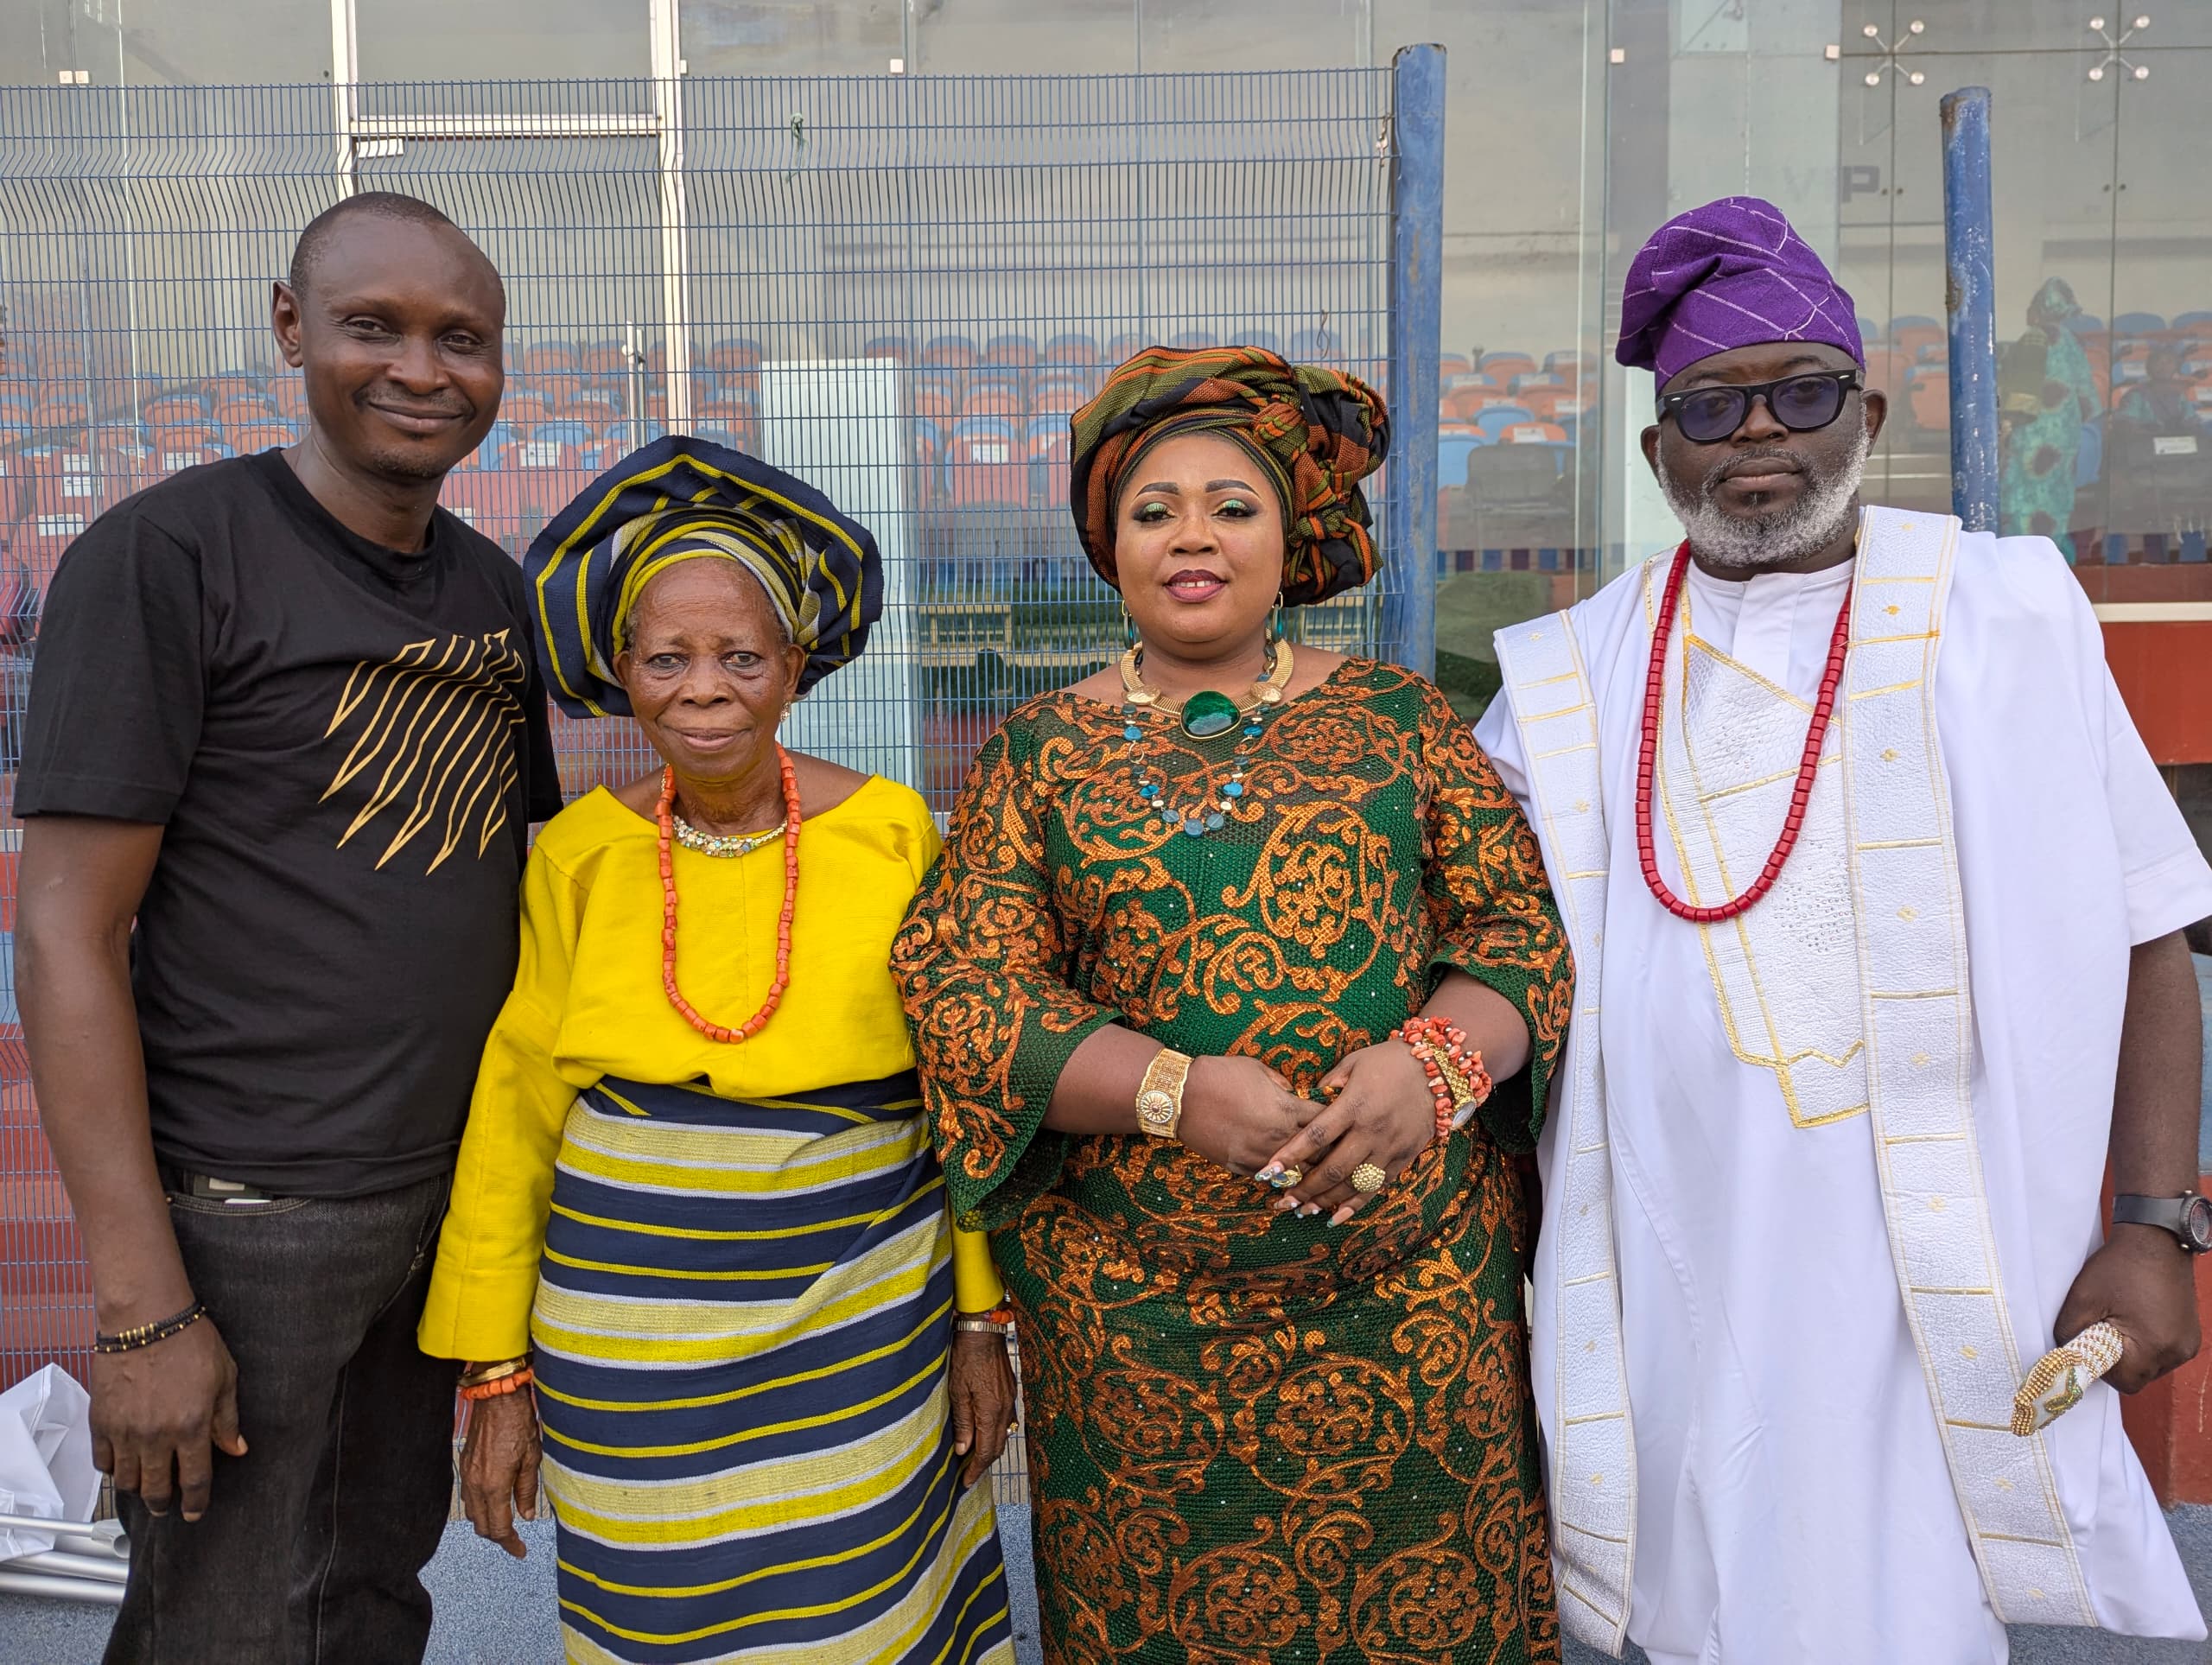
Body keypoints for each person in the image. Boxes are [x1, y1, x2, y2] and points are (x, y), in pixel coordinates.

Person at [1475, 196, 2212, 1662]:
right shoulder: (1565, 675)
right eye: (1711, 407)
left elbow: (2149, 933)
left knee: (1910, 1608)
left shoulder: (2010, 615)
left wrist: (2154, 1223)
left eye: (1801, 394)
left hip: (1948, 1265)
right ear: (1659, 452)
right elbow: (1476, 945)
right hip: (1675, 1264)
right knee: (1702, 1599)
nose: (1759, 433)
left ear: (1865, 416)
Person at [893, 345, 1575, 1663]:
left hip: (1415, 1318)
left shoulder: (1399, 721)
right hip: (1139, 1347)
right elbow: (966, 983)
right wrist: (1174, 1090)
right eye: (1154, 510)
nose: (1193, 536)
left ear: (1289, 536)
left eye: (1233, 505)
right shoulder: (1040, 752)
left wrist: (1435, 1064)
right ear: (1112, 547)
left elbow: (1519, 927)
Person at [15, 190, 562, 1662]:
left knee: (375, 1591)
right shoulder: (166, 556)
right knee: (227, 1626)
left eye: (463, 339)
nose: (422, 370)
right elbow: (64, 934)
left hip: (439, 1204)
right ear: (288, 327)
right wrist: (142, 1308)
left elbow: (501, 883)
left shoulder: (491, 591)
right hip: (249, 1220)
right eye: (374, 326)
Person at [417, 435, 1019, 1665]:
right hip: (626, 1351)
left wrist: (978, 1319)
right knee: (657, 1615)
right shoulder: (577, 854)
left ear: (795, 667)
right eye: (667, 657)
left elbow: (962, 1096)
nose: (704, 688)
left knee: (863, 1610)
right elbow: (516, 1107)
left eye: (742, 655)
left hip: (863, 1320)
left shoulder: (897, 833)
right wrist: (495, 1370)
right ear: (621, 672)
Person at [1998, 276, 2100, 554]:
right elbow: (2089, 399)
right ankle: (2054, 556)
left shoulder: (2035, 336)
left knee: (2027, 500)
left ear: (2038, 310)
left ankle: (2026, 557)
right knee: (2056, 498)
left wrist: (2008, 424)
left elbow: (2024, 390)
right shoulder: (2072, 342)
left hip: (2035, 437)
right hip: (2064, 437)